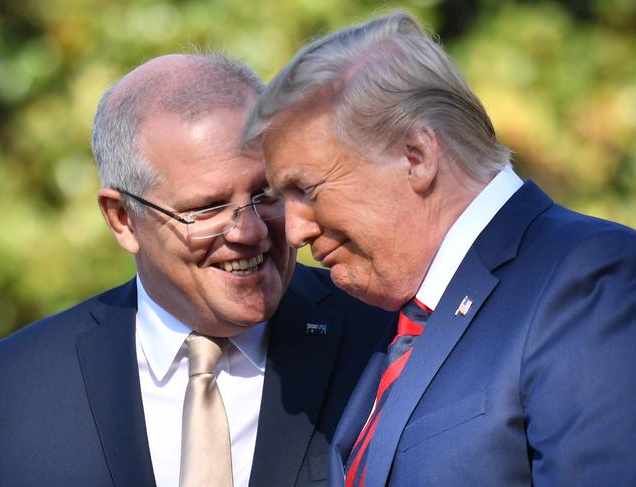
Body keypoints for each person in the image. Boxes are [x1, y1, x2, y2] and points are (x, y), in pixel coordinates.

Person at [242, 12, 636, 487]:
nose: (295, 231)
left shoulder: (589, 278)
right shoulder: (401, 316)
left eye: (305, 189)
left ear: (417, 156)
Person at [0, 53, 393, 487]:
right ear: (123, 218)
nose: (251, 231)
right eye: (209, 208)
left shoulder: (385, 340)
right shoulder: (10, 388)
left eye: (267, 193)